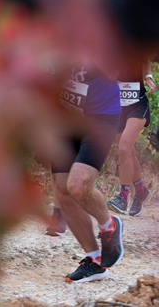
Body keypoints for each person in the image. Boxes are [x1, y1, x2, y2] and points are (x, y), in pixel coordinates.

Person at [53, 61, 124, 283]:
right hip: (66, 119)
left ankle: (109, 225)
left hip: (100, 117)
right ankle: (94, 260)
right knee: (62, 190)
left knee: (78, 185)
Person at [106, 59, 154, 217]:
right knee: (129, 152)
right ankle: (140, 191)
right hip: (117, 105)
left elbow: (145, 58)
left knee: (124, 148)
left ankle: (123, 198)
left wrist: (148, 76)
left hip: (137, 104)